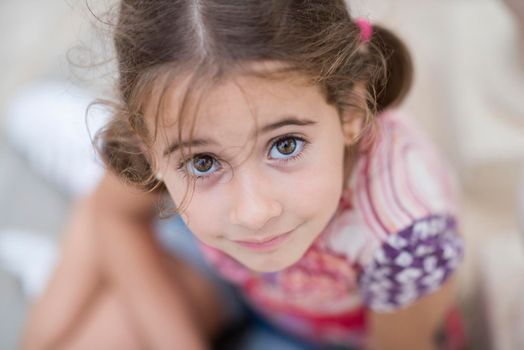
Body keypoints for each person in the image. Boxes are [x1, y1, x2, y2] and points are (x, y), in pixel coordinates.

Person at [21, 1, 465, 349]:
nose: (253, 213)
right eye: (203, 162)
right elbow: (114, 215)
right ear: (146, 144)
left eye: (285, 145)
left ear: (350, 110)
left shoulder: (406, 234)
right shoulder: (163, 123)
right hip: (218, 267)